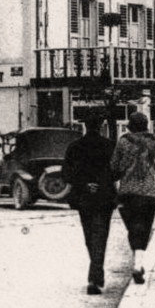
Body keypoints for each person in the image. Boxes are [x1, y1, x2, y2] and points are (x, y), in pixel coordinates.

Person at [109, 111, 155, 285]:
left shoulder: (123, 142)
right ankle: (138, 264)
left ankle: (138, 264)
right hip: (148, 193)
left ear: (130, 125)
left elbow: (114, 167)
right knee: (144, 230)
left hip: (127, 193)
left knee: (133, 229)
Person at [62, 112, 117, 295]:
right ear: (101, 126)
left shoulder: (75, 147)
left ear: (85, 126)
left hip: (83, 197)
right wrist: (100, 184)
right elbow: (116, 172)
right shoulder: (110, 146)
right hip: (104, 197)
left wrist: (86, 184)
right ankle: (95, 278)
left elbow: (66, 173)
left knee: (89, 236)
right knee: (100, 236)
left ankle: (95, 275)